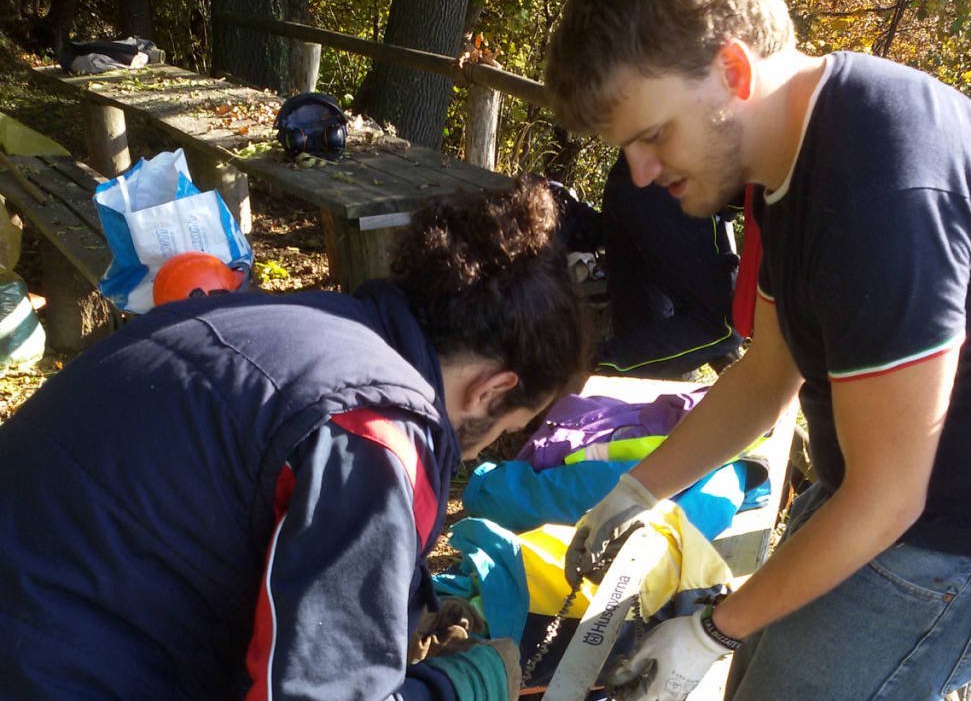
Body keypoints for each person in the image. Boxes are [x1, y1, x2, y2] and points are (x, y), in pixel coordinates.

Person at [544, 0, 971, 698]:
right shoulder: (783, 158)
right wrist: (635, 492)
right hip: (879, 486)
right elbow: (768, 374)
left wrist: (712, 628)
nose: (638, 174)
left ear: (733, 74)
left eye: (653, 135)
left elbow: (892, 496)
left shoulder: (880, 191)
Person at [0, 177, 588, 700]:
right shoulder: (378, 432)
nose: (480, 452)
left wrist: (400, 605)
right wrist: (451, 688)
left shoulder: (288, 322)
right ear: (492, 391)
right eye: (506, 430)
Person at [595, 150, 743, 379]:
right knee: (728, 324)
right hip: (672, 182)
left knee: (651, 359)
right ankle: (581, 368)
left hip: (635, 176)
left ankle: (577, 369)